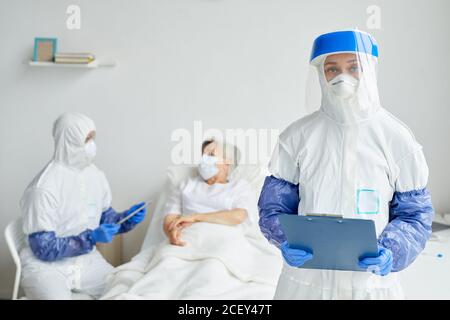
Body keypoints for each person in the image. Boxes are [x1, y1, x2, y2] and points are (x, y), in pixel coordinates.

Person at [258, 30, 434, 299]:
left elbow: (414, 215)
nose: (342, 77)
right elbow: (274, 208)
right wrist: (285, 239)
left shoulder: (397, 139)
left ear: (369, 70)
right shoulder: (296, 137)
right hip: (306, 282)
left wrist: (391, 250)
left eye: (354, 67)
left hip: (371, 285)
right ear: (321, 74)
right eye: (332, 69)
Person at [20, 112, 147, 300]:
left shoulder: (95, 175)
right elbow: (43, 247)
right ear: (70, 141)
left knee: (127, 289)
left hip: (86, 261)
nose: (92, 145)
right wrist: (90, 237)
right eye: (87, 139)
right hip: (47, 268)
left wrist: (126, 219)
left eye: (93, 138)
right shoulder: (44, 187)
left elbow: (105, 217)